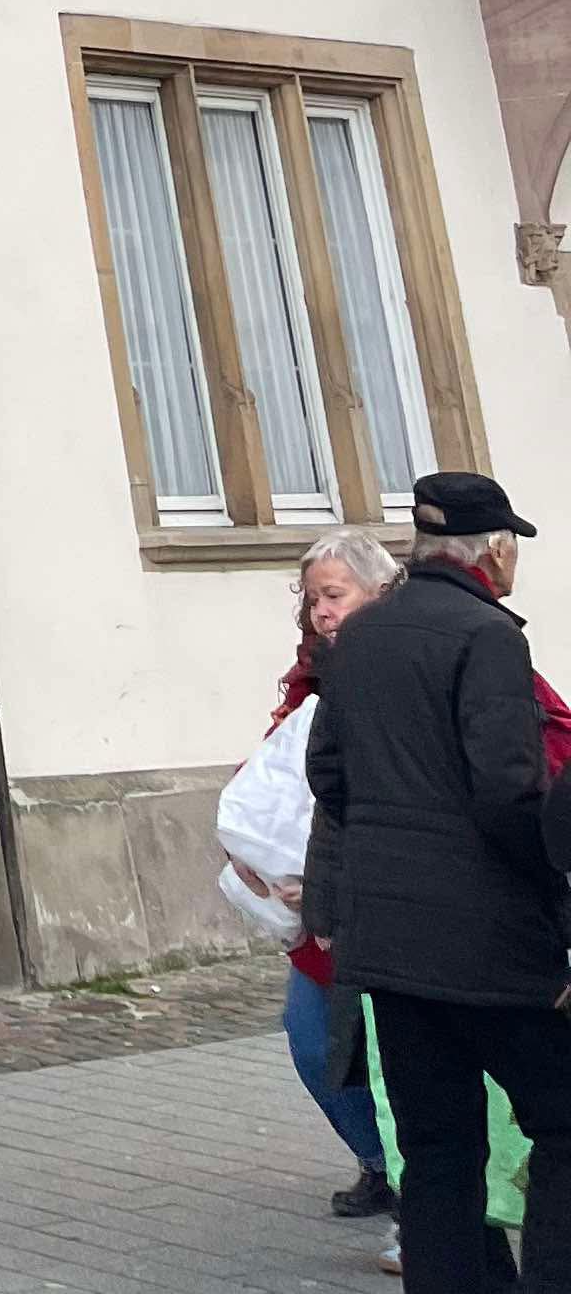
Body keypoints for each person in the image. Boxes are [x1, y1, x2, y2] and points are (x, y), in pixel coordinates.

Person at [308, 470, 571, 1294]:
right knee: (562, 1122)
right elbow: (509, 793)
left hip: (388, 944)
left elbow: (328, 774)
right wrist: (552, 901)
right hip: (489, 942)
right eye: (512, 545)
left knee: (436, 1148)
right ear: (493, 552)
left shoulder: (359, 638)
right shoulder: (487, 635)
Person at [223, 525, 400, 1215]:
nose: (321, 612)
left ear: (379, 592)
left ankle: (423, 1182)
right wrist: (251, 842)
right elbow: (285, 778)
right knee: (311, 1040)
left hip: (380, 902)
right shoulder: (311, 680)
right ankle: (380, 1162)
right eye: (313, 600)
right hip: (315, 908)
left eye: (334, 596)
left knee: (393, 1056)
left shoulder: (406, 662)